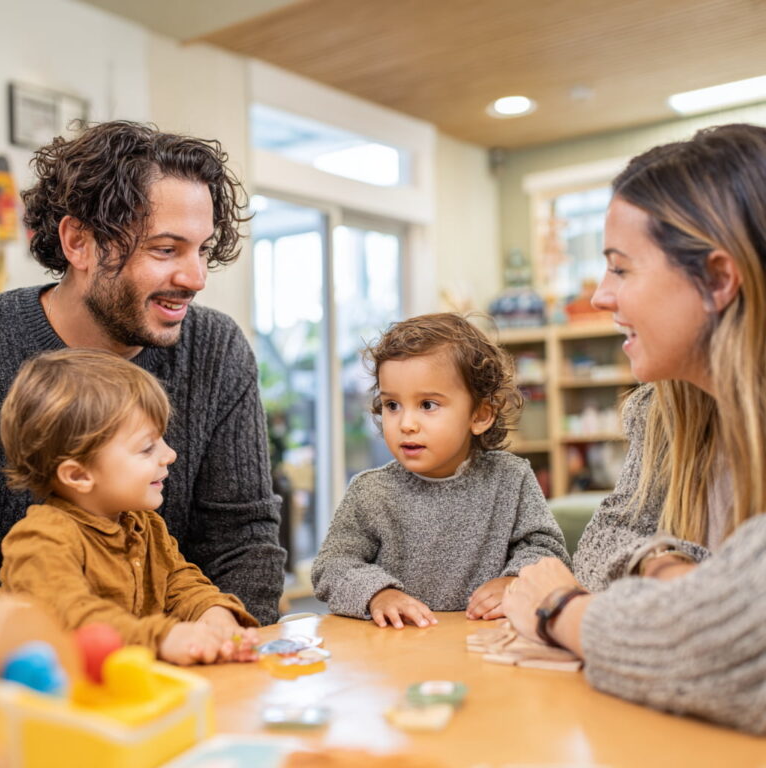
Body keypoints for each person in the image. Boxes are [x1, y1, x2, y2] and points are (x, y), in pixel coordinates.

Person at [503, 123, 766, 734]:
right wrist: (672, 569)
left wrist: (559, 609)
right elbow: (601, 551)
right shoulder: (664, 409)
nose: (599, 296)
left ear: (719, 279)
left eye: (621, 269)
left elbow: (730, 648)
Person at [0, 121, 285, 625]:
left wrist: (224, 637)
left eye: (201, 249)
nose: (195, 278)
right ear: (79, 242)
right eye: (166, 249)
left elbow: (242, 542)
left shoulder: (215, 348)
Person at [0, 349, 259, 665]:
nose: (170, 454)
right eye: (147, 447)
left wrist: (214, 614)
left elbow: (179, 583)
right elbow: (71, 619)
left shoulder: (144, 523)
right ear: (78, 474)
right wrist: (163, 638)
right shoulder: (39, 540)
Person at [311, 313, 569, 628]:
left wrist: (514, 580)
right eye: (392, 405)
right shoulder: (370, 492)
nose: (406, 424)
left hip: (484, 646)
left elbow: (546, 549)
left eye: (428, 405)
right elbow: (332, 566)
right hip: (398, 651)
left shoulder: (511, 479)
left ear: (480, 415)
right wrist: (377, 594)